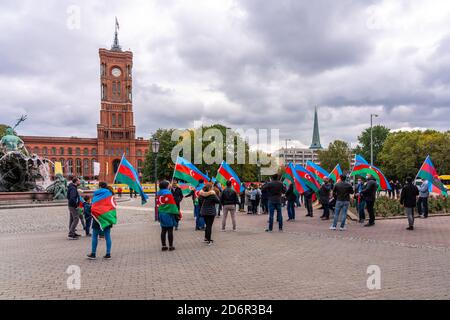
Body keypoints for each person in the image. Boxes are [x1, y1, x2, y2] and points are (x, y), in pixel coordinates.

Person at [87, 182, 115, 260]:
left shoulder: (97, 194)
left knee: (95, 235)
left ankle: (93, 254)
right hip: (107, 217)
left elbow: (93, 205)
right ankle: (108, 254)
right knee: (107, 236)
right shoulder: (110, 194)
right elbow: (113, 205)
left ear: (99, 186)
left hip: (98, 217)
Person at [158, 180, 179, 251]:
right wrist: (177, 212)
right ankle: (171, 246)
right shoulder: (168, 193)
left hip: (161, 212)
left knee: (163, 230)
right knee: (170, 230)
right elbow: (172, 204)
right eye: (169, 184)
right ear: (166, 186)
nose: (170, 184)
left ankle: (163, 245)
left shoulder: (159, 193)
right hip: (168, 213)